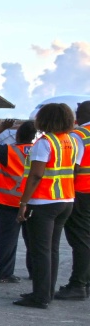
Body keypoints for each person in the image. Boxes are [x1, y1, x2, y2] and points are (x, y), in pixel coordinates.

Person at [14, 102, 82, 309]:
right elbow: (75, 170)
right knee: (52, 249)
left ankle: (40, 296)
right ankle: (46, 291)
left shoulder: (44, 143)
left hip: (43, 202)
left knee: (40, 250)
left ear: (44, 120)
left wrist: (23, 203)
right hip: (66, 200)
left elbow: (36, 175)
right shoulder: (73, 141)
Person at [0, 118, 36, 282]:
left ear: (18, 134)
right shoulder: (40, 150)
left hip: (9, 202)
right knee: (34, 240)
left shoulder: (8, 151)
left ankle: (4, 274)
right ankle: (36, 272)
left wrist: (2, 127)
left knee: (8, 239)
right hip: (33, 202)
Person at [55, 100, 90, 301]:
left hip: (81, 192)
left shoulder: (78, 136)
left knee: (80, 239)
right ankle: (85, 280)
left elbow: (72, 167)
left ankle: (78, 285)